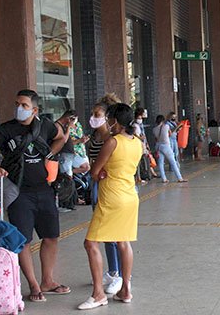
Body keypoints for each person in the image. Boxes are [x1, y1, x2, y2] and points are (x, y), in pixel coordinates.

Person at [0, 89, 69, 302]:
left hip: (45, 190)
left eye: (23, 105)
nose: (19, 108)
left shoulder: (46, 126)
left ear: (35, 109)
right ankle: (33, 285)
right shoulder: (6, 129)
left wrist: (50, 155)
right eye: (17, 104)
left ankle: (47, 281)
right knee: (23, 240)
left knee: (51, 236)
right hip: (18, 192)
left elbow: (60, 138)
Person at [78, 103, 142, 310]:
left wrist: (99, 173)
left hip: (111, 198)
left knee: (91, 243)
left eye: (108, 119)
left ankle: (98, 294)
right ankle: (126, 290)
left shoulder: (112, 142)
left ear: (114, 121)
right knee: (123, 241)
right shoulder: (137, 142)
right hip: (130, 196)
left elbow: (95, 172)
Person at [86, 94, 124, 295]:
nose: (93, 117)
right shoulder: (95, 136)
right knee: (105, 233)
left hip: (111, 186)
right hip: (96, 185)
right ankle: (112, 270)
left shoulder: (113, 138)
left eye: (97, 114)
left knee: (115, 233)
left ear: (107, 117)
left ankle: (121, 275)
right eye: (93, 114)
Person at [55, 110, 90, 181]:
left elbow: (80, 135)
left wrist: (83, 139)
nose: (74, 121)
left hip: (81, 151)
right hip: (70, 152)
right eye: (73, 119)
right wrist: (68, 127)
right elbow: (65, 141)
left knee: (86, 169)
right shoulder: (61, 126)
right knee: (85, 168)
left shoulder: (78, 125)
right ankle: (67, 174)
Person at [153, 114, 187, 183]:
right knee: (173, 162)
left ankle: (164, 178)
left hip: (158, 146)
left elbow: (156, 139)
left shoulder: (154, 129)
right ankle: (179, 178)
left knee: (161, 163)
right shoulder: (166, 126)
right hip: (166, 146)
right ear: (163, 120)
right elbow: (170, 134)